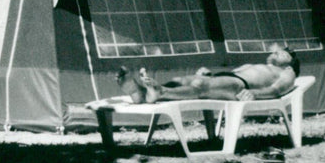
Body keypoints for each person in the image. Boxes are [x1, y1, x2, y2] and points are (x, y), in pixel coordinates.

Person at [118, 44, 299, 104]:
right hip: (228, 79)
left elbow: (277, 90)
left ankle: (161, 92)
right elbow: (230, 75)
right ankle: (143, 94)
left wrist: (255, 94)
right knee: (181, 80)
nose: (281, 50)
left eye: (286, 53)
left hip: (241, 86)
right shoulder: (257, 65)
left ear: (291, 63)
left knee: (199, 86)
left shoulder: (287, 72)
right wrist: (210, 74)